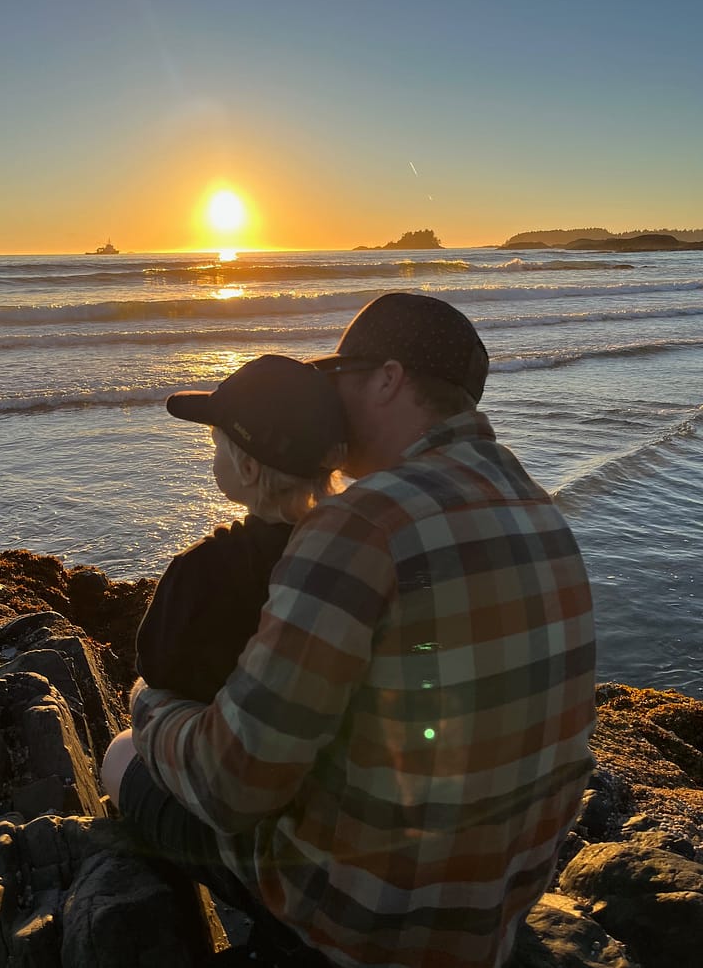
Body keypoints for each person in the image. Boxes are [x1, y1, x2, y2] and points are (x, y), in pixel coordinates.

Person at [102, 292, 596, 968]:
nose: (328, 398)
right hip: (496, 911)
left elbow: (233, 784)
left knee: (124, 753)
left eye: (339, 376)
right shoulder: (543, 512)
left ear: (389, 377)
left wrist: (150, 708)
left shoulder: (362, 524)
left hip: (368, 924)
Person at [135, 353, 346, 702]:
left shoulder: (203, 567)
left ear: (248, 469)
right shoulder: (347, 548)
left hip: (221, 737)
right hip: (316, 729)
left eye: (217, 445)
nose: (213, 455)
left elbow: (154, 665)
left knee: (123, 745)